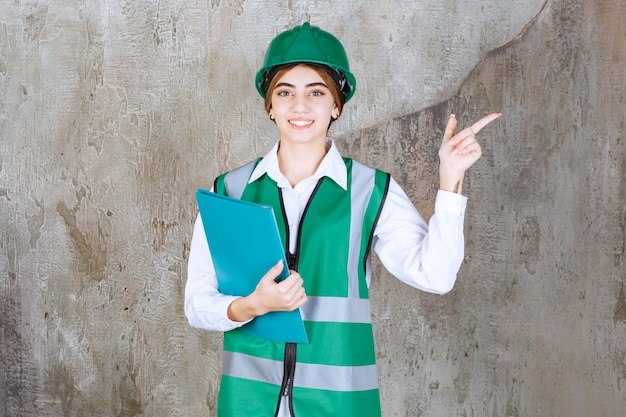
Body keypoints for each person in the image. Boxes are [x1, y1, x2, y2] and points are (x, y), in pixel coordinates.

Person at [185, 22, 500, 417]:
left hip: (339, 404)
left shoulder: (372, 190)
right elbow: (198, 304)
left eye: (316, 93)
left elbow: (436, 277)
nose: (300, 107)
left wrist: (450, 180)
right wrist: (250, 305)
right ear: (270, 105)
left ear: (336, 105)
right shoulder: (229, 190)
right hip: (248, 403)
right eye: (285, 92)